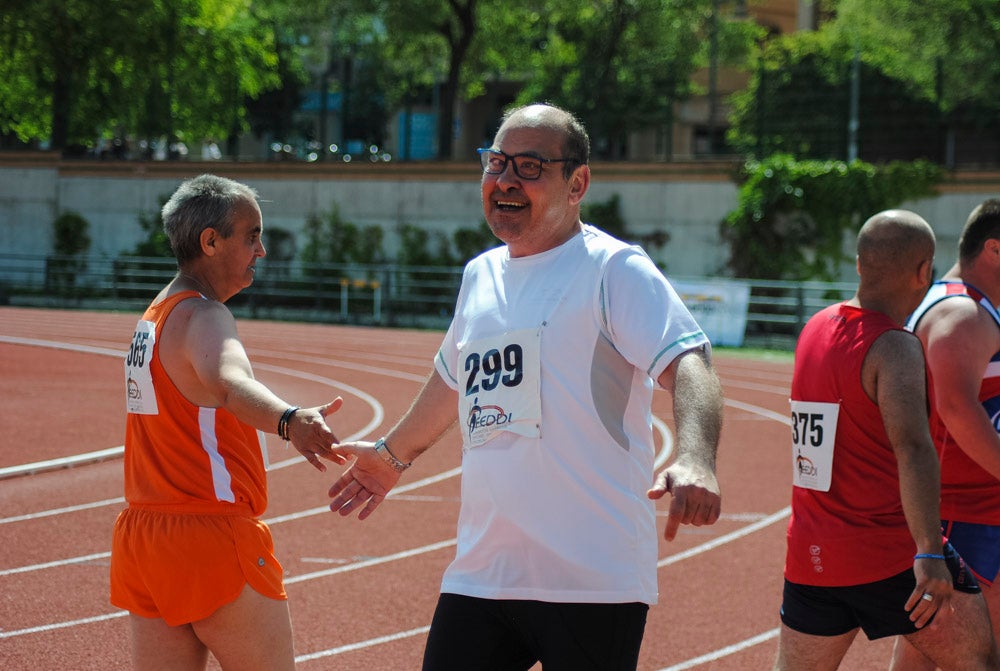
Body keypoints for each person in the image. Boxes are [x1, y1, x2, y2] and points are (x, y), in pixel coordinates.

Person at [327, 102, 724, 670]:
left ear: (577, 182)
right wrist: (392, 457)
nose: (507, 180)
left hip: (591, 580)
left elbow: (692, 360)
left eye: (531, 166)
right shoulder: (481, 274)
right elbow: (452, 378)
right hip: (484, 573)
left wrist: (695, 458)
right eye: (497, 163)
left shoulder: (613, 270)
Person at [110, 174, 347, 671]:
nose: (261, 250)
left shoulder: (153, 317)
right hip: (210, 538)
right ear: (210, 241)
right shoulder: (205, 317)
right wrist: (290, 419)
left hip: (145, 539)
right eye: (252, 235)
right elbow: (228, 381)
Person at [772, 209, 999, 671]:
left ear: (859, 263)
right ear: (923, 272)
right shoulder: (895, 346)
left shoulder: (814, 329)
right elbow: (915, 449)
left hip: (812, 557)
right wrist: (930, 551)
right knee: (979, 659)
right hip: (887, 557)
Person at [893, 198, 1000, 670]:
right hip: (964, 518)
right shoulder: (964, 314)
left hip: (966, 515)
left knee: (931, 653)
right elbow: (956, 408)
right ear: (995, 250)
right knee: (973, 656)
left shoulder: (963, 307)